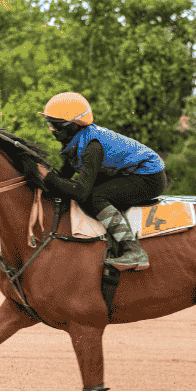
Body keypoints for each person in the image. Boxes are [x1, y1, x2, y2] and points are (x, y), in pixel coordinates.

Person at [36, 92, 166, 271]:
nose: (51, 129)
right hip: (130, 172)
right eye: (49, 124)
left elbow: (80, 191)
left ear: (74, 125)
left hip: (149, 177)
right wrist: (42, 180)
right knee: (90, 193)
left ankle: (135, 252)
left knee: (95, 196)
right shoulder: (76, 139)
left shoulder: (92, 147)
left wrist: (48, 178)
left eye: (55, 125)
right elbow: (63, 177)